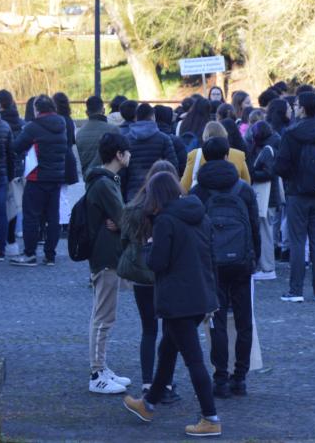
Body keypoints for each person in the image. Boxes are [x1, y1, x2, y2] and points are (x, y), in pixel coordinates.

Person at [122, 172, 221, 437]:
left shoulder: (165, 221)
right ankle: (148, 404)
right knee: (167, 351)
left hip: (177, 302)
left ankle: (210, 418)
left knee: (193, 360)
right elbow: (210, 256)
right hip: (200, 296)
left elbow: (157, 263)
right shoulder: (201, 216)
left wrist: (149, 246)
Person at [189, 137, 260, 398]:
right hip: (241, 261)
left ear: (205, 158)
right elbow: (254, 226)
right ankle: (239, 378)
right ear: (228, 157)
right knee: (243, 321)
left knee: (217, 321)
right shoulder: (243, 189)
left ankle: (220, 378)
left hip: (212, 263)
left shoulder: (198, 191)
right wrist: (254, 257)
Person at [120, 160, 180, 403]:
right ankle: (165, 382)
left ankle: (147, 382)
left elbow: (124, 240)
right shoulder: (175, 211)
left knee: (148, 329)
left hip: (142, 277)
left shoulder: (134, 208)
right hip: (167, 277)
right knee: (169, 332)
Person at [276, 92, 315, 303]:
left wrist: (292, 177)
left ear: (302, 108)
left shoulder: (291, 134)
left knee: (297, 241)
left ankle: (296, 290)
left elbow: (281, 165)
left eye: (296, 105)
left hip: (297, 192)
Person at [83, 133, 132, 394]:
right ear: (119, 155)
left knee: (102, 314)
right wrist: (122, 222)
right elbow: (124, 219)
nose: (130, 156)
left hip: (105, 253)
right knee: (103, 316)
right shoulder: (105, 183)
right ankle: (97, 373)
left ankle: (101, 368)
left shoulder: (105, 180)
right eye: (127, 152)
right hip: (105, 255)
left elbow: (120, 219)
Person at [11, 95, 67, 267]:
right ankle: (50, 255)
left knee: (31, 216)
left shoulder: (33, 127)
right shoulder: (62, 124)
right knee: (53, 216)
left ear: (37, 109)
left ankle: (30, 254)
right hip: (56, 177)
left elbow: (16, 147)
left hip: (37, 177)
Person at [248, 120, 281, 280]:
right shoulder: (272, 145)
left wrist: (252, 174)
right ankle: (267, 267)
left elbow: (269, 173)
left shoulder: (267, 150)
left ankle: (268, 268)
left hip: (267, 197)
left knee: (265, 232)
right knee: (266, 231)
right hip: (271, 197)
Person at [125, 104, 179, 200]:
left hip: (133, 192)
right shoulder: (164, 139)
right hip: (159, 192)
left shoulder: (126, 140)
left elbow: (122, 170)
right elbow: (173, 166)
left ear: (136, 117)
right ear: (153, 117)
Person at [180, 121, 251, 192]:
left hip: (203, 197)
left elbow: (184, 187)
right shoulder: (239, 155)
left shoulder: (195, 155)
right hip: (233, 197)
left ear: (205, 136)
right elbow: (247, 183)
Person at [76, 96, 121, 176]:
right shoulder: (113, 129)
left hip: (89, 178)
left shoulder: (79, 133)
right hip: (109, 177)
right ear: (103, 110)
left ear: (87, 113)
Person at [0, 107, 14, 261]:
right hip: (0, 176)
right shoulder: (5, 127)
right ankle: (0, 250)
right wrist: (11, 176)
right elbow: (10, 155)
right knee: (1, 214)